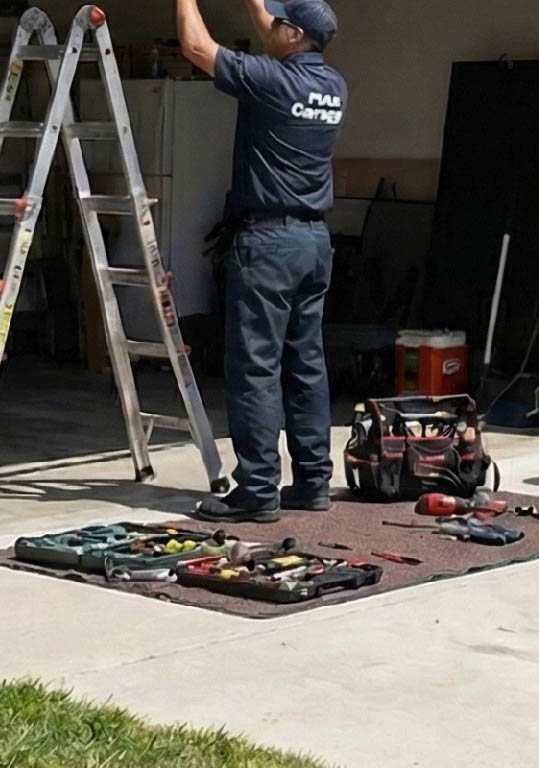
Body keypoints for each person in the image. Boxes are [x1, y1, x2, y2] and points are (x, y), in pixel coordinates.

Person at [175, 0, 347, 522]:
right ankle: (313, 481)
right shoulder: (332, 86)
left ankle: (257, 490)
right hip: (314, 243)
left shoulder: (271, 82)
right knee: (306, 365)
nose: (268, 27)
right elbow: (273, 31)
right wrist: (258, 7)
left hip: (268, 244)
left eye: (277, 22)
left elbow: (196, 48)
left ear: (293, 35)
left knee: (255, 368)